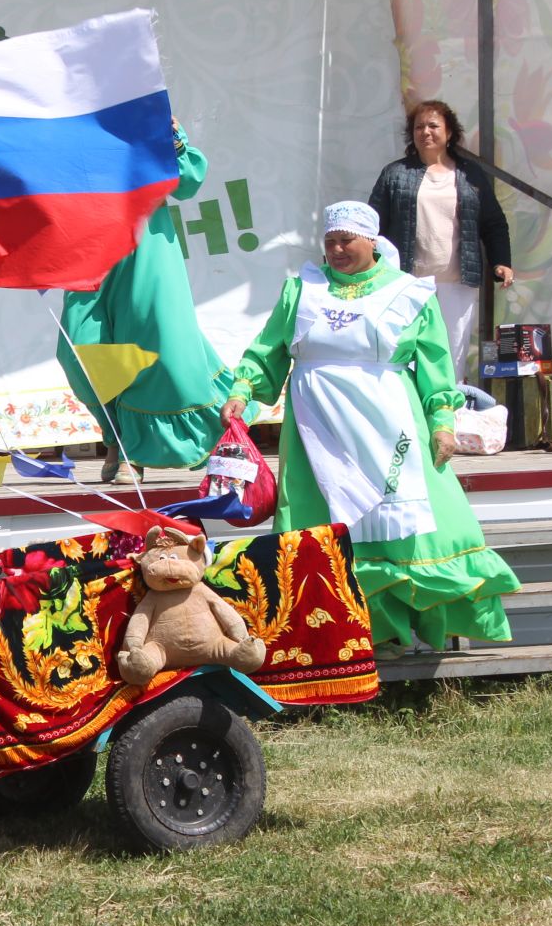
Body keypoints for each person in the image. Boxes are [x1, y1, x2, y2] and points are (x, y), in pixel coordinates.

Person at [220, 201, 518, 658]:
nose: (337, 250)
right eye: (330, 241)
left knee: (404, 523)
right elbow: (268, 350)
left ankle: (401, 628)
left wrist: (442, 422)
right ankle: (335, 635)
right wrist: (243, 390)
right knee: (323, 522)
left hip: (389, 422)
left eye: (347, 241)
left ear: (372, 242)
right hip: (317, 425)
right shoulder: (302, 288)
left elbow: (436, 365)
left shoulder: (410, 293)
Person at [56, 118, 235, 482]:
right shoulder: (67, 112)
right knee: (79, 346)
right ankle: (116, 432)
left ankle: (129, 449)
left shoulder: (139, 108)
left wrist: (169, 135)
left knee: (151, 342)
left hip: (144, 239)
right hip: (87, 239)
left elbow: (187, 183)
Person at [366, 98, 513, 382]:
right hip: (405, 281)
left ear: (449, 133)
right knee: (403, 349)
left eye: (433, 125)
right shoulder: (395, 173)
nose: (426, 131)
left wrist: (501, 262)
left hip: (457, 281)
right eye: (419, 126)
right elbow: (372, 225)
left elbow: (494, 223)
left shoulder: (471, 175)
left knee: (451, 352)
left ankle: (448, 415)